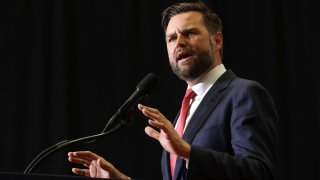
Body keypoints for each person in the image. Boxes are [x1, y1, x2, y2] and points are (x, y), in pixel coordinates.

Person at [68, 1, 278, 180]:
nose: (180, 42)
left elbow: (259, 172)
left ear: (218, 39)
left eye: (190, 33)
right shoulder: (184, 111)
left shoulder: (243, 93)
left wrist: (187, 152)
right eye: (172, 38)